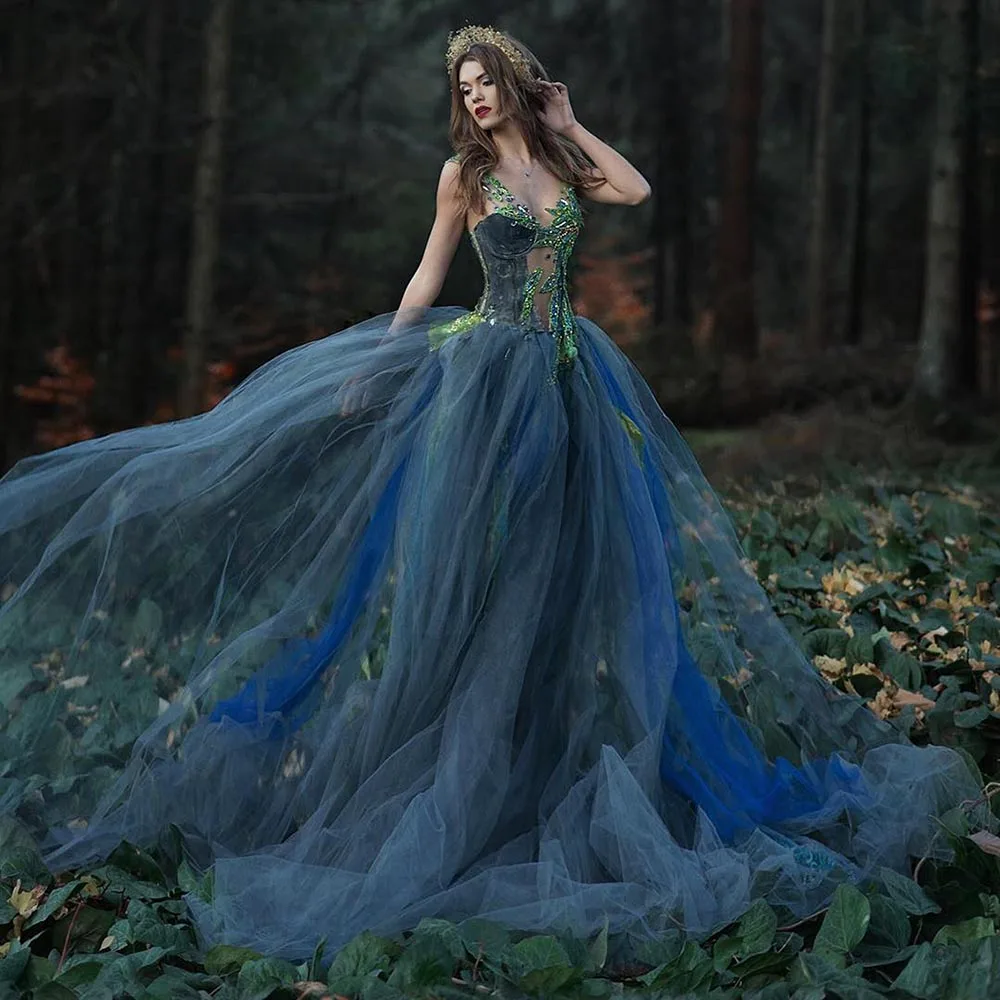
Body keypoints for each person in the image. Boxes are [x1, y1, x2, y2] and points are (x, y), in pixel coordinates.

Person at [0, 24, 979, 962]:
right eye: (460, 86)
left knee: (568, 584)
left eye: (482, 79)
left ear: (512, 81)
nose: (470, 95)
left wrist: (565, 114)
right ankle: (462, 780)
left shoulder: (557, 164)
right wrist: (377, 367)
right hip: (486, 389)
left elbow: (634, 188)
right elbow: (429, 278)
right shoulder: (461, 177)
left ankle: (550, 743)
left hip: (568, 389)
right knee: (486, 587)